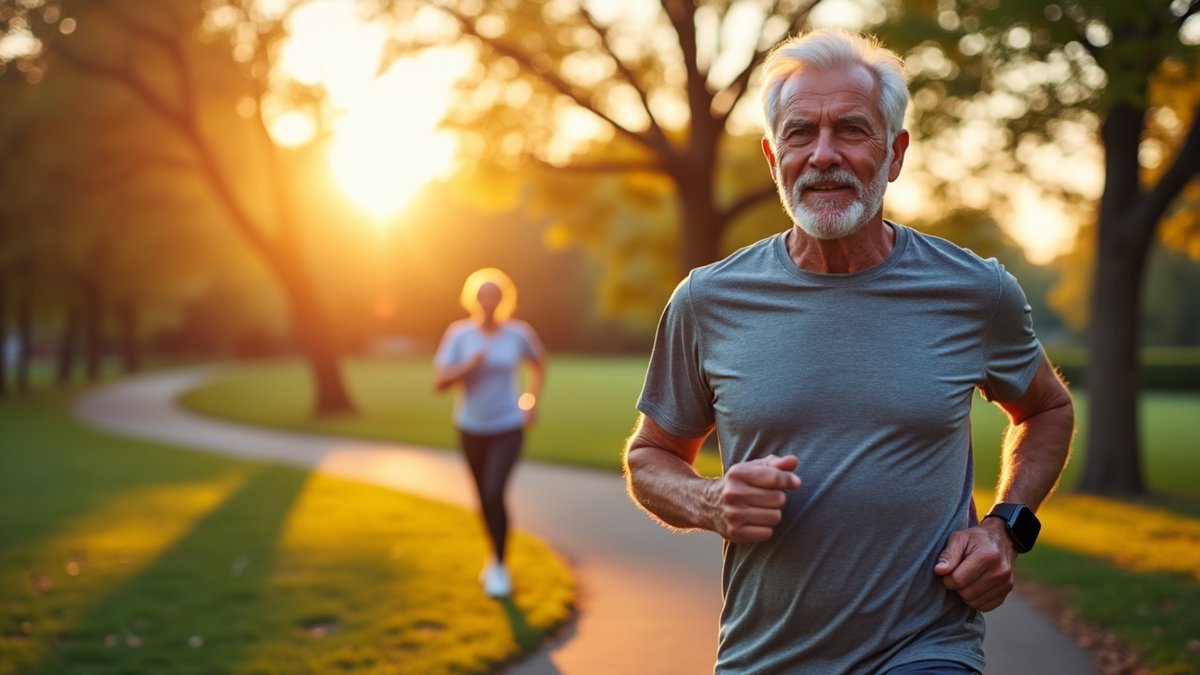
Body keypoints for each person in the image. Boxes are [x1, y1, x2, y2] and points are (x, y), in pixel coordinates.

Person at [622, 28, 1074, 674]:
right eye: (801, 133)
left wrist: (1006, 524)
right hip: (764, 655)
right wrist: (709, 500)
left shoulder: (975, 291)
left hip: (926, 647)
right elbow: (650, 456)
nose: (823, 155)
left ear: (894, 153)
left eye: (852, 130)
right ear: (773, 158)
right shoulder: (707, 300)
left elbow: (1047, 410)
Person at [435, 267, 546, 599]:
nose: (488, 302)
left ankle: (499, 566)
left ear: (502, 300)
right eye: (482, 296)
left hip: (508, 426)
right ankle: (492, 555)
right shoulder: (459, 335)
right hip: (470, 427)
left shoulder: (518, 334)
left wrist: (531, 401)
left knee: (494, 490)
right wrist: (468, 366)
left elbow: (539, 363)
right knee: (483, 497)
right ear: (473, 300)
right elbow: (439, 382)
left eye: (494, 296)